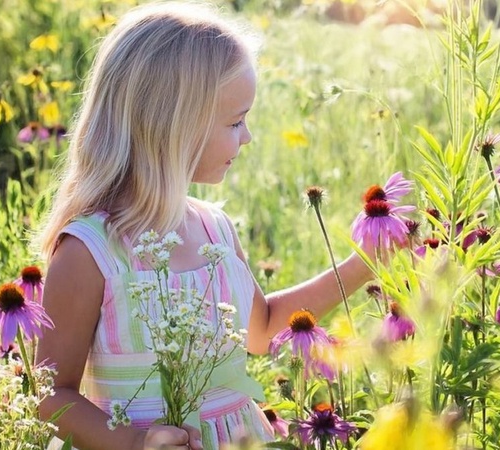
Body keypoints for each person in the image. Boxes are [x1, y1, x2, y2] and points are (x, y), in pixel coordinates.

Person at [35, 2, 376, 449]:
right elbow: (50, 397)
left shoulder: (215, 229)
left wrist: (363, 264)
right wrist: (137, 444)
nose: (248, 137)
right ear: (172, 125)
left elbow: (262, 329)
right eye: (236, 121)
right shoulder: (90, 252)